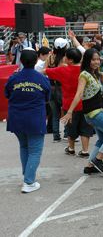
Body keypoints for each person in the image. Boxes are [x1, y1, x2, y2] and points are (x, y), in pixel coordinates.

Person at [61, 49, 103, 176]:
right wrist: (70, 111)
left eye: (98, 59)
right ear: (87, 60)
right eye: (93, 59)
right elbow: (79, 94)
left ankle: (90, 166)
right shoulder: (84, 75)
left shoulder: (96, 74)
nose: (96, 62)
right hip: (94, 113)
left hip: (95, 113)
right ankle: (98, 159)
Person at [5, 49, 50, 193]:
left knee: (24, 147)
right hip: (35, 118)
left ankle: (27, 176)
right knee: (35, 151)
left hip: (17, 118)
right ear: (36, 60)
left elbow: (7, 94)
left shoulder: (14, 78)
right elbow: (47, 97)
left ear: (21, 61)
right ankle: (29, 181)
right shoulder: (42, 78)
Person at [44, 48, 93, 157]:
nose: (64, 58)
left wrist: (47, 62)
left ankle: (71, 148)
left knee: (71, 127)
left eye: (66, 56)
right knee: (85, 127)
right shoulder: (85, 70)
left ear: (70, 60)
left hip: (69, 104)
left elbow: (45, 71)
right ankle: (85, 150)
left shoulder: (62, 70)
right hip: (85, 103)